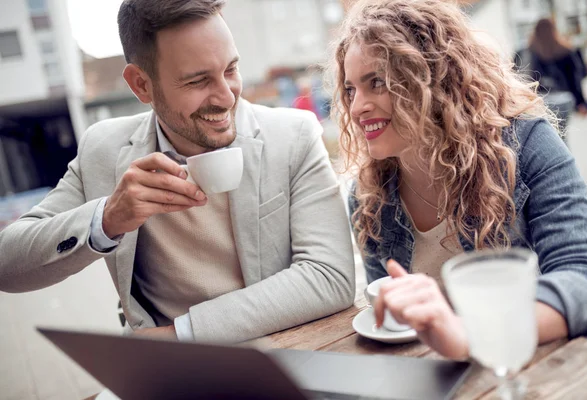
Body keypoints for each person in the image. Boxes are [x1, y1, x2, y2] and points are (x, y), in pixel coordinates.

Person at [0, 0, 355, 343]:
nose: (226, 97)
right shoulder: (104, 150)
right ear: (141, 85)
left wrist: (183, 335)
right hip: (166, 375)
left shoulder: (293, 136)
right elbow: (6, 261)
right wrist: (107, 219)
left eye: (230, 69)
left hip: (278, 349)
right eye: (198, 81)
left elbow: (330, 276)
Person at [332, 0, 587, 359]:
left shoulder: (526, 145)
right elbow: (394, 322)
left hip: (544, 368)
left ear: (434, 79)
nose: (356, 106)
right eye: (350, 89)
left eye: (376, 83)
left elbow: (585, 277)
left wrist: (472, 336)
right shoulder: (368, 196)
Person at [525, 18, 587, 132]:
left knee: (550, 135)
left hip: (543, 101)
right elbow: (575, 79)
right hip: (564, 98)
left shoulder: (531, 52)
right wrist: (581, 102)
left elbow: (529, 78)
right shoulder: (566, 50)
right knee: (563, 134)